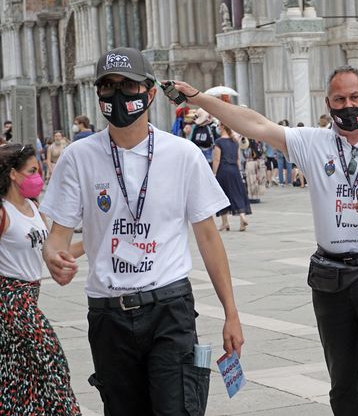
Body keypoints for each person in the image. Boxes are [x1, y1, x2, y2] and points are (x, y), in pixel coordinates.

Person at [172, 65, 358, 416]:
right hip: (331, 275)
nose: (348, 106)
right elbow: (253, 123)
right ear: (328, 102)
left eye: (354, 97)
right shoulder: (313, 142)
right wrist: (199, 99)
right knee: (342, 382)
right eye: (339, 99)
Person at [39, 47, 244, 415]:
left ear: (150, 93)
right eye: (108, 87)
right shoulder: (78, 157)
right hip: (108, 313)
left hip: (168, 307)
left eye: (127, 86)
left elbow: (209, 238)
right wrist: (53, 255)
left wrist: (231, 312)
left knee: (176, 409)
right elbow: (58, 235)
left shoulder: (182, 154)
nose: (117, 96)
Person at [0, 143, 81, 415]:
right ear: (13, 174)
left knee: (20, 374)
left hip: (29, 298)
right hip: (9, 299)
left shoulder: (34, 209)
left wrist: (95, 240)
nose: (38, 176)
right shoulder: (3, 212)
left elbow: (55, 252)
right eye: (32, 170)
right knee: (51, 362)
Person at [213, 124, 251, 232]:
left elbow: (217, 159)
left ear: (222, 127)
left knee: (222, 195)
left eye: (219, 126)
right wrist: (239, 171)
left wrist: (214, 174)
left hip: (223, 171)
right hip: (234, 170)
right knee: (237, 193)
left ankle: (225, 223)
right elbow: (238, 159)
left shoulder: (219, 142)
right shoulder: (235, 141)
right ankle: (242, 217)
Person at [276, 119, 293, 187]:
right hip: (284, 150)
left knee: (286, 167)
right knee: (284, 167)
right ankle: (286, 182)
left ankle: (283, 182)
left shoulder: (277, 132)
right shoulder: (288, 131)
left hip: (283, 150)